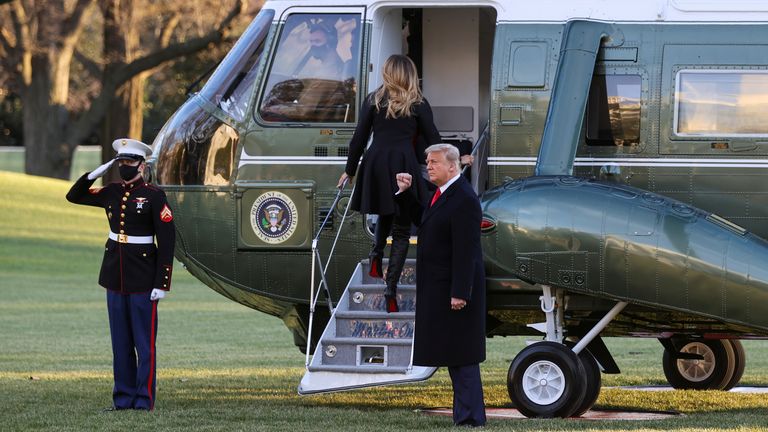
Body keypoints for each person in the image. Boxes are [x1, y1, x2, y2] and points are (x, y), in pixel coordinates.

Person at [66, 138, 176, 411]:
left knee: (144, 344)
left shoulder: (154, 195)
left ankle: (143, 400)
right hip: (115, 276)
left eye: (129, 162)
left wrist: (162, 283)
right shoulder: (111, 192)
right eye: (121, 162)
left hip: (143, 279)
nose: (124, 167)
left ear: (141, 165)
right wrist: (95, 174)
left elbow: (167, 241)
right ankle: (123, 399)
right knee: (121, 343)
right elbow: (74, 196)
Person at [338, 54, 442, 313]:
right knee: (402, 230)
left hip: (376, 163)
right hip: (403, 163)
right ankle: (390, 291)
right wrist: (448, 165)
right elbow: (433, 139)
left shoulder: (373, 100)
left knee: (386, 209)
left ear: (387, 73)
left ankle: (376, 256)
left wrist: (349, 171)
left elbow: (359, 139)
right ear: (409, 74)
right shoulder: (418, 103)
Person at [395, 143, 486, 427]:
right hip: (441, 288)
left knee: (463, 355)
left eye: (434, 162)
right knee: (454, 354)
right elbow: (424, 220)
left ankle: (471, 417)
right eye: (427, 162)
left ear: (452, 165)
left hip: (454, 291)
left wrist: (460, 292)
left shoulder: (464, 198)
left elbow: (466, 250)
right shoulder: (444, 194)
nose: (429, 166)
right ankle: (465, 415)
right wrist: (406, 194)